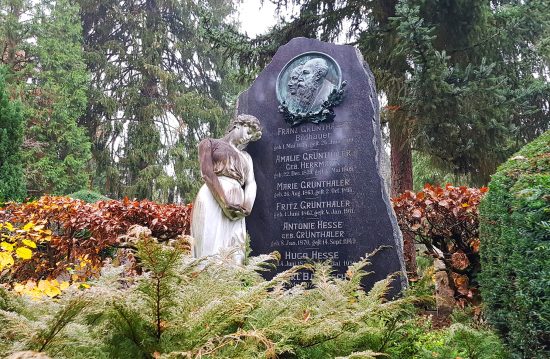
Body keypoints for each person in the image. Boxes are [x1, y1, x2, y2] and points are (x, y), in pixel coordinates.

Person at [191, 114, 262, 264]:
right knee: (210, 248)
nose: (248, 139)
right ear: (238, 125)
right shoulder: (209, 143)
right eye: (248, 132)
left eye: (252, 137)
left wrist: (246, 207)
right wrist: (224, 203)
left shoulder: (246, 157)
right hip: (212, 198)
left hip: (237, 211)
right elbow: (207, 173)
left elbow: (251, 183)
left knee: (235, 253)